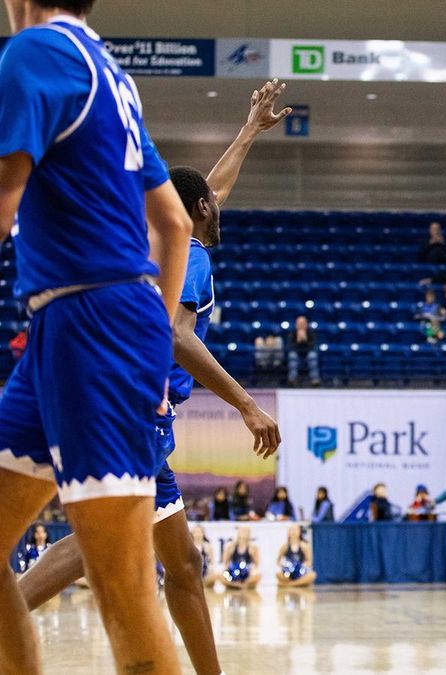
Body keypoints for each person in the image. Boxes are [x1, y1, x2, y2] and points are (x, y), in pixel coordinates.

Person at [6, 70, 286, 674]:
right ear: (203, 213)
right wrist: (245, 403)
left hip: (115, 399)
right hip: (137, 408)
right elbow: (177, 333)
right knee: (105, 540)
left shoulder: (173, 236)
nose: (219, 198)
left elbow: (209, 188)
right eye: (212, 202)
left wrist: (248, 131)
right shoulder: (194, 259)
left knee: (176, 561)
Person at [0, 2, 193, 671]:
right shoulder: (109, 70)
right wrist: (154, 339)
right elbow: (175, 223)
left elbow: (4, 197)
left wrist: (139, 341)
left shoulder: (35, 52)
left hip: (95, 322)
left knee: (123, 589)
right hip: (73, 322)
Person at [287, 315, 321, 386]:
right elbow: (290, 346)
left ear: (306, 324)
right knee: (292, 355)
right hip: (296, 352)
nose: (301, 325)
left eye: (303, 323)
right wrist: (298, 341)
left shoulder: (311, 332)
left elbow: (313, 346)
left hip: (308, 352)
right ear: (296, 324)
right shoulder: (292, 333)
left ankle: (314, 380)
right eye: (299, 323)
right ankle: (292, 379)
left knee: (312, 356)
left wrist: (305, 340)